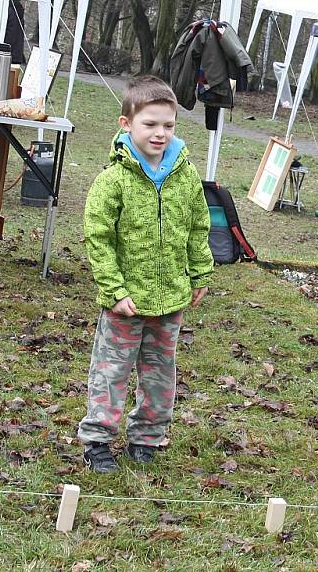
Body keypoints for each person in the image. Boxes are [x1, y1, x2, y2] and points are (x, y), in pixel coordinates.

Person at [78, 76, 214, 473]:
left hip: (170, 297)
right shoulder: (113, 180)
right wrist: (114, 290)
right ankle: (98, 441)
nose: (160, 133)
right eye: (150, 124)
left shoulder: (185, 174)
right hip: (125, 302)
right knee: (112, 370)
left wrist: (199, 272)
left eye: (168, 125)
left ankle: (147, 438)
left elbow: (197, 224)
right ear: (126, 124)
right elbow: (97, 238)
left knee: (159, 373)